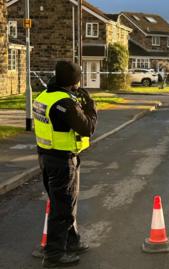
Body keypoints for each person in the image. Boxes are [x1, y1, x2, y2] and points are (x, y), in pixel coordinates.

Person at [33, 61, 97, 268]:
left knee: (64, 203)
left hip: (45, 156)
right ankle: (54, 255)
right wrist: (90, 106)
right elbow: (87, 127)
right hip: (62, 160)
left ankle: (71, 242)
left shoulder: (44, 96)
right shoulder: (66, 104)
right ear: (74, 80)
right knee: (63, 208)